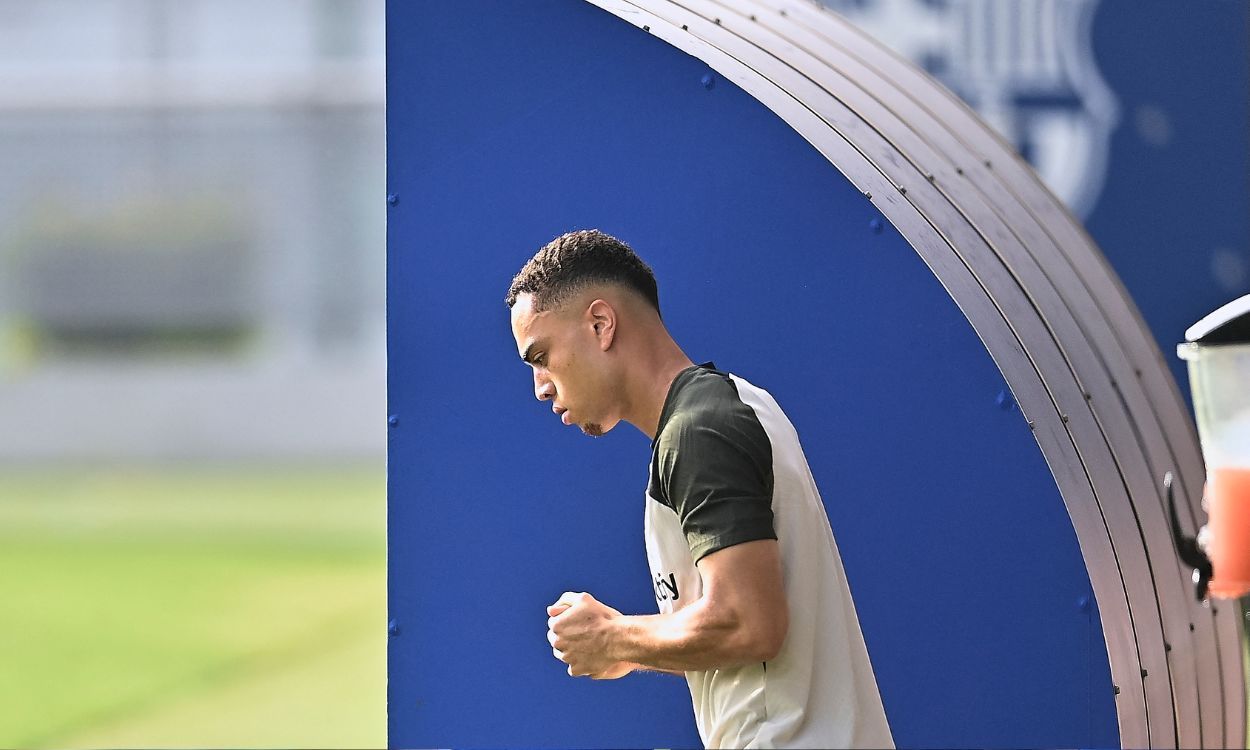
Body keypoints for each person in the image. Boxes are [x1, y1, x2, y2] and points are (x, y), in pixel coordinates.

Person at [506, 229, 893, 749]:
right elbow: (741, 634)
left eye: (541, 355)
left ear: (600, 324)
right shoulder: (736, 404)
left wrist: (613, 637)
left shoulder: (699, 431)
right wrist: (628, 646)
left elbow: (749, 623)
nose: (540, 387)